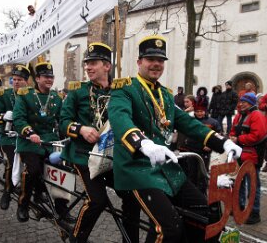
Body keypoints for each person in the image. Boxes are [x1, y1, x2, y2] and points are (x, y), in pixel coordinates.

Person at [108, 35, 242, 243]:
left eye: (160, 60)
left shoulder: (165, 95)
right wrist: (143, 143)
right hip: (135, 169)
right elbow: (120, 119)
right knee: (169, 228)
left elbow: (188, 124)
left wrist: (221, 142)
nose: (156, 64)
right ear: (139, 62)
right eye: (150, 58)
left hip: (167, 169)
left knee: (202, 211)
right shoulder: (125, 89)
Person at [59, 42, 140, 243]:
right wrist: (81, 129)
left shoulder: (121, 91)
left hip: (113, 156)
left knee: (132, 196)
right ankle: (77, 237)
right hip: (83, 155)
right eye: (87, 63)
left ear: (107, 66)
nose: (88, 67)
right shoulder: (78, 92)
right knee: (97, 200)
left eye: (93, 62)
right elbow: (63, 123)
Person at [13, 60, 73, 223]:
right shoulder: (25, 95)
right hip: (29, 141)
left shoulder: (56, 97)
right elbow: (18, 119)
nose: (49, 79)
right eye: (45, 76)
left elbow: (62, 120)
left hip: (50, 141)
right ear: (37, 78)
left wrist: (69, 134)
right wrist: (30, 132)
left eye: (51, 76)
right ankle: (23, 204)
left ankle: (62, 207)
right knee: (33, 170)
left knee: (63, 169)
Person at [0, 65, 29, 210]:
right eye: (14, 79)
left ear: (27, 81)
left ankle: (35, 190)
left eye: (20, 79)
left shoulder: (31, 95)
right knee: (11, 162)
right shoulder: (4, 95)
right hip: (9, 137)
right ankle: (7, 191)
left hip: (25, 136)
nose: (16, 82)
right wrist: (3, 116)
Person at [229, 92, 267, 224]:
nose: (241, 103)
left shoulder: (257, 115)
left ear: (251, 103)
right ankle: (239, 207)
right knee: (238, 182)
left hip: (253, 156)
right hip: (240, 155)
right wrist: (232, 137)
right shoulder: (239, 115)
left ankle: (254, 212)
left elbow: (257, 136)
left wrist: (238, 139)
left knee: (253, 185)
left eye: (244, 101)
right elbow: (233, 130)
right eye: (241, 101)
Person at [179, 101, 222, 194]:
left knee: (202, 174)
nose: (199, 113)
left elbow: (218, 135)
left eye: (201, 111)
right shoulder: (191, 121)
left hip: (204, 152)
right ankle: (193, 193)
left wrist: (210, 145)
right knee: (192, 173)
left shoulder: (212, 122)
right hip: (191, 150)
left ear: (205, 111)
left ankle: (202, 193)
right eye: (197, 111)